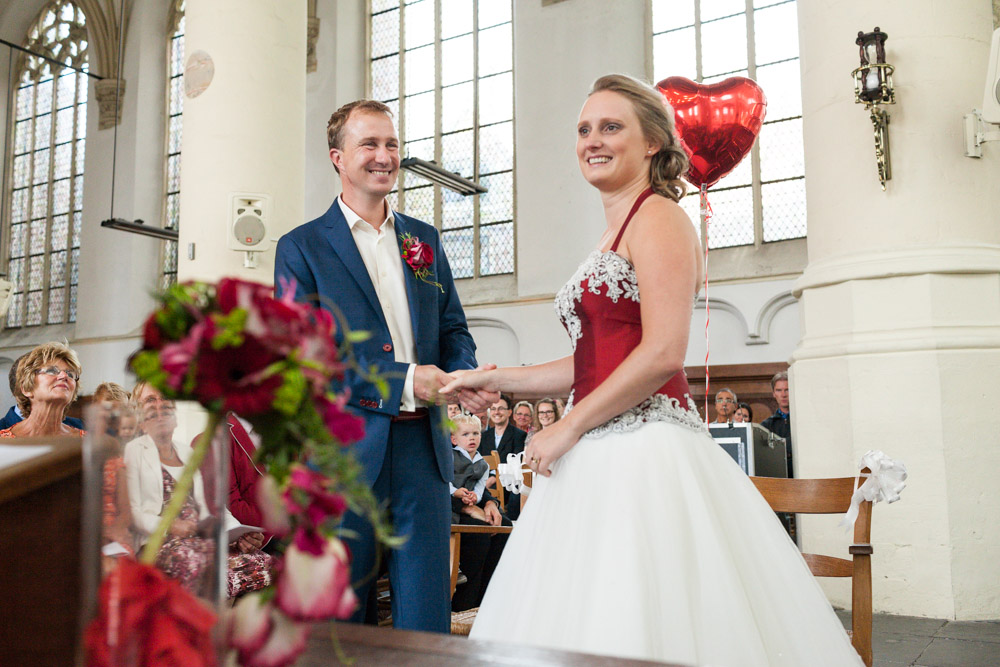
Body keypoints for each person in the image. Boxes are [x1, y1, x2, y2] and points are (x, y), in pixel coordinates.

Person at [441, 74, 863, 665]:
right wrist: (495, 377)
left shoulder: (660, 217)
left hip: (647, 446)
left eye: (611, 127)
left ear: (652, 144)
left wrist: (568, 426)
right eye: (584, 129)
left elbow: (664, 352)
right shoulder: (613, 229)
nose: (592, 140)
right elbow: (589, 363)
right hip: (600, 443)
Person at [273, 99, 495, 633]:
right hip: (344, 457)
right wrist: (403, 380)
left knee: (426, 619)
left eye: (391, 144)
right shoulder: (300, 248)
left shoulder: (425, 239)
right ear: (337, 157)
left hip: (424, 452)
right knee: (344, 623)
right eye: (369, 144)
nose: (384, 155)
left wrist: (462, 378)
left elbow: (452, 329)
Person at [124, 382, 272, 597]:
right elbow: (133, 515)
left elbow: (212, 507)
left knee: (266, 565)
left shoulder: (186, 454)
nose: (160, 405)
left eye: (165, 398)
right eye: (150, 400)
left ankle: (234, 629)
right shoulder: (131, 454)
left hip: (198, 542)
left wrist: (241, 534)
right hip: (159, 546)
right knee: (205, 571)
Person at [448, 414, 510, 611]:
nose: (472, 437)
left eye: (475, 433)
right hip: (448, 507)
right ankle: (465, 602)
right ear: (454, 438)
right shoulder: (450, 456)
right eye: (466, 434)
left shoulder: (481, 462)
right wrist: (464, 505)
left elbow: (480, 486)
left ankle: (488, 597)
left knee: (504, 526)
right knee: (479, 533)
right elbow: (440, 484)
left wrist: (489, 503)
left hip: (467, 500)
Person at [0, 343, 85, 438]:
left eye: (70, 374)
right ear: (27, 389)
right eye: (51, 371)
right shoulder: (3, 440)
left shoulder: (88, 440)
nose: (64, 376)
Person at [479, 394, 527, 519]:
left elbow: (515, 463)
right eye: (493, 409)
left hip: (508, 484)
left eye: (501, 408)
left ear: (509, 412)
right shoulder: (483, 436)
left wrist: (494, 477)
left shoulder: (519, 435)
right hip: (484, 483)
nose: (496, 412)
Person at [761, 371, 793, 477]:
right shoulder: (765, 426)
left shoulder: (803, 422)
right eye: (779, 390)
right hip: (777, 478)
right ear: (774, 394)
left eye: (787, 390)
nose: (783, 395)